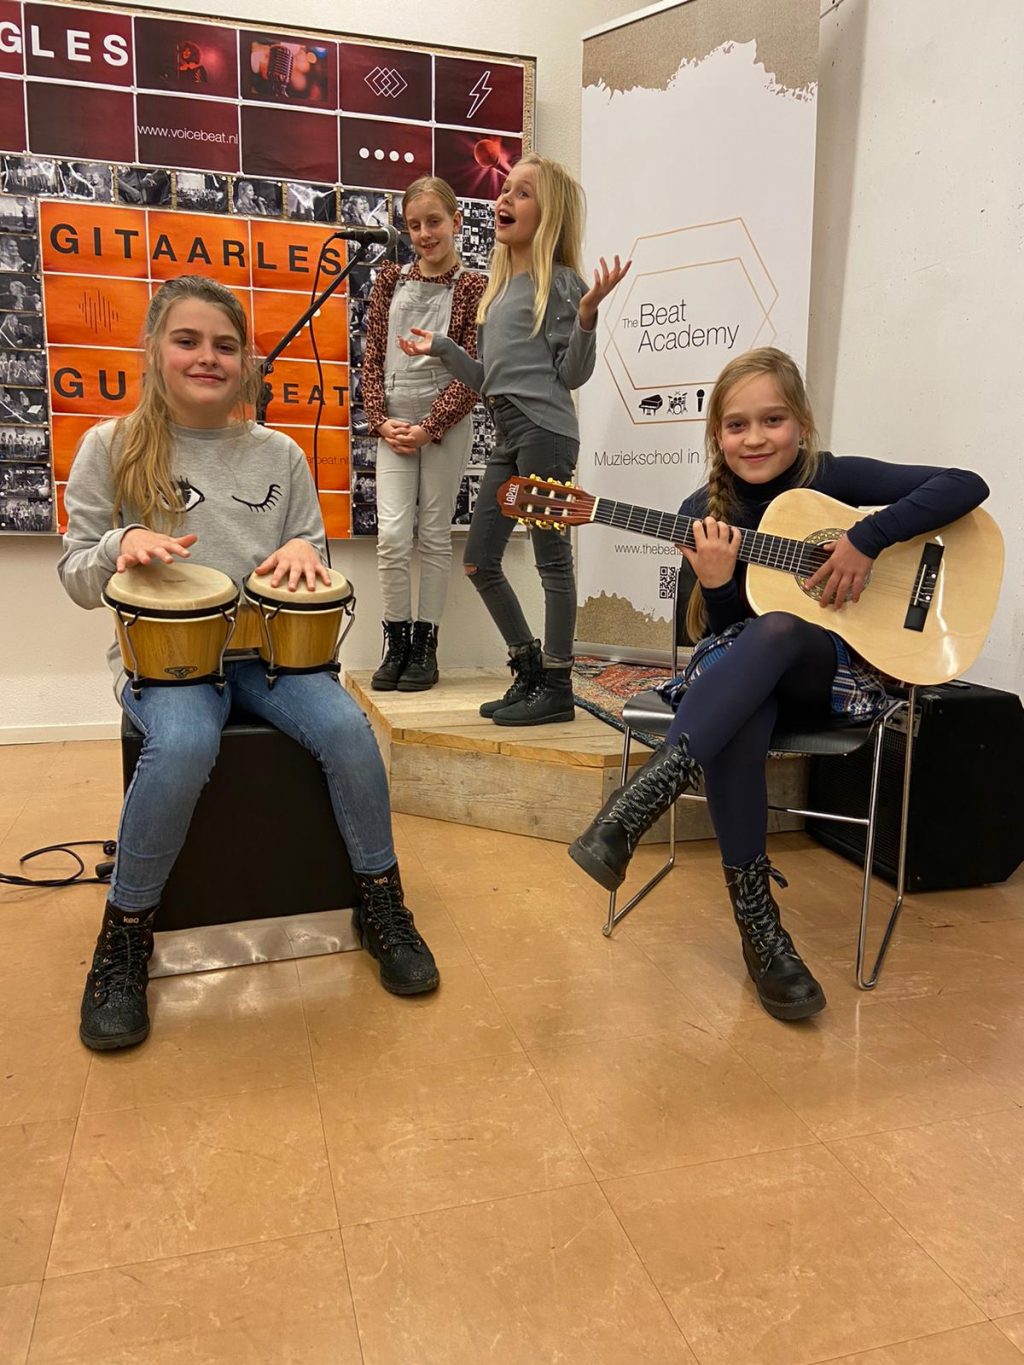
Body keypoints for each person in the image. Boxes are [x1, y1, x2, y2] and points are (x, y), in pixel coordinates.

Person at [58, 275, 439, 1053]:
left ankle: (381, 900)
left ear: (246, 364)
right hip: (169, 665)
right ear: (153, 351)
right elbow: (76, 576)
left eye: (225, 345)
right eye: (188, 340)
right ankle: (126, 933)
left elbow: (314, 552)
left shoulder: (279, 452)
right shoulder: (112, 446)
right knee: (184, 742)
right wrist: (118, 545)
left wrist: (302, 547)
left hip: (273, 658)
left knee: (349, 732)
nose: (208, 356)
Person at [569, 346, 990, 1021]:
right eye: (736, 425)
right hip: (742, 681)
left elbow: (965, 484)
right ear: (717, 436)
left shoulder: (828, 479)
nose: (756, 438)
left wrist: (867, 539)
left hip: (828, 674)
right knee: (750, 678)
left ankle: (638, 804)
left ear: (801, 424)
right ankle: (761, 933)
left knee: (782, 630)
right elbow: (720, 633)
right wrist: (715, 583)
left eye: (773, 420)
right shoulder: (700, 511)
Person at [398, 152, 630, 725]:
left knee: (552, 561)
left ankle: (557, 684)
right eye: (506, 189)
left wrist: (588, 316)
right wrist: (444, 350)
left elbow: (572, 375)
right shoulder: (497, 292)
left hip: (546, 433)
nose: (505, 198)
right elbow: (489, 383)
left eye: (522, 193)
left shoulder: (563, 284)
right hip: (507, 431)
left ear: (548, 214)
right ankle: (529, 672)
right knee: (480, 562)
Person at [361, 176, 487, 692]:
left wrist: (430, 426)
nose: (424, 234)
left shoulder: (474, 287)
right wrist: (379, 419)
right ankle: (396, 640)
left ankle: (425, 645)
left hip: (444, 424)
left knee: (434, 535)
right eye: (414, 225)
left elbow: (474, 370)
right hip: (394, 424)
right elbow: (372, 355)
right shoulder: (389, 280)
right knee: (392, 537)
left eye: (434, 221)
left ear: (456, 221)